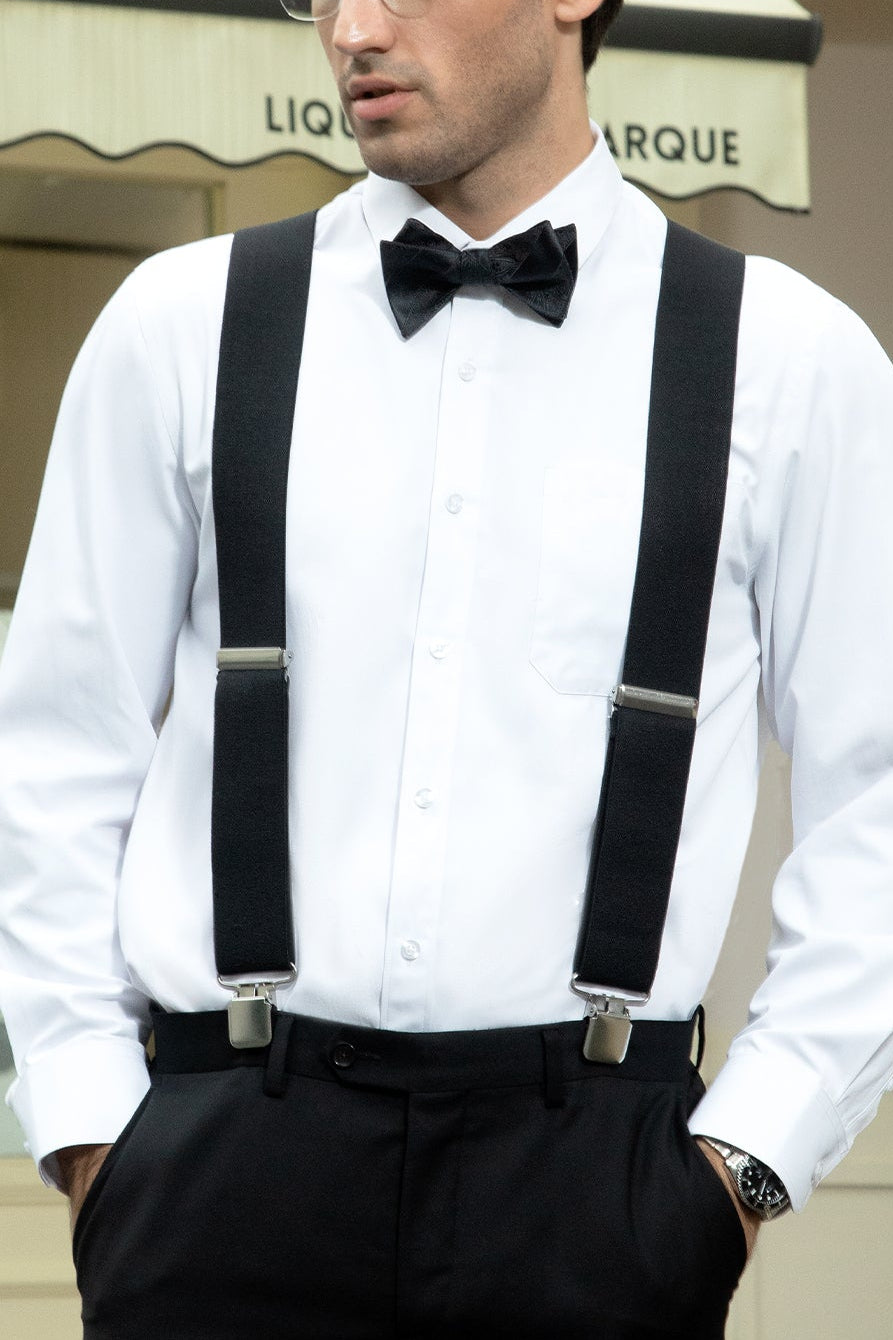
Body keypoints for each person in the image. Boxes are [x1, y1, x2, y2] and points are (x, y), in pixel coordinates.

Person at [1, 0, 892, 1335]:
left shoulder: (792, 360)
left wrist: (746, 1159)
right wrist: (90, 1131)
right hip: (212, 1178)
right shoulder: (179, 324)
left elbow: (874, 795)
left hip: (603, 1189)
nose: (353, 29)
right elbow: (56, 753)